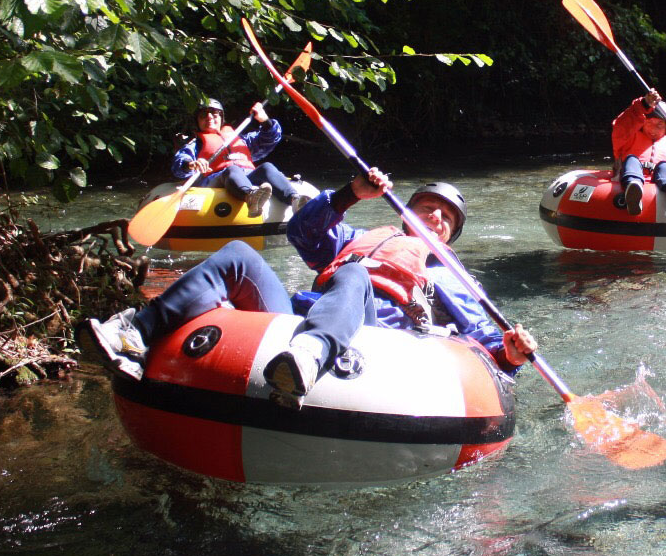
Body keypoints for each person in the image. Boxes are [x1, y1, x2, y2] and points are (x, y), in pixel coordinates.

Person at [87, 170, 537, 407]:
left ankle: (306, 358)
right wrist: (349, 194)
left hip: (378, 338)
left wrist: (508, 353)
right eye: (425, 207)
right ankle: (135, 334)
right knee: (240, 254)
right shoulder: (356, 238)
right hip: (301, 317)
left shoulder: (451, 276)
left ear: (450, 234)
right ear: (405, 212)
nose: (433, 217)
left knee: (355, 276)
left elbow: (483, 338)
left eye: (444, 217)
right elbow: (304, 232)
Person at [172, 98, 306, 216]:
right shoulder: (195, 144)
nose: (209, 117)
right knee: (232, 169)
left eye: (214, 113)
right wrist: (191, 164)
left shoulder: (239, 140)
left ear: (221, 118)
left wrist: (264, 121)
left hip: (246, 176)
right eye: (203, 115)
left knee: (267, 167)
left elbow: (269, 138)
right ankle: (251, 198)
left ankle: (295, 200)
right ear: (197, 121)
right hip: (217, 179)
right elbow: (180, 161)